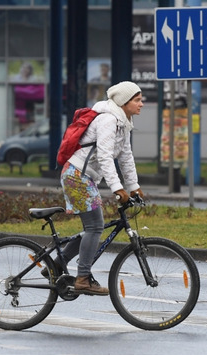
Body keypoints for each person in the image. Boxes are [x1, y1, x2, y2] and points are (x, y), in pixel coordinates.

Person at [55, 80, 145, 296]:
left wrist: (133, 186)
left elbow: (125, 156)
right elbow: (105, 157)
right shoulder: (107, 120)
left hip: (84, 178)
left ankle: (59, 263)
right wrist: (117, 188)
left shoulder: (124, 123)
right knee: (95, 226)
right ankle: (83, 278)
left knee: (93, 227)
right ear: (124, 102)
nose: (142, 104)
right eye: (137, 100)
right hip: (76, 176)